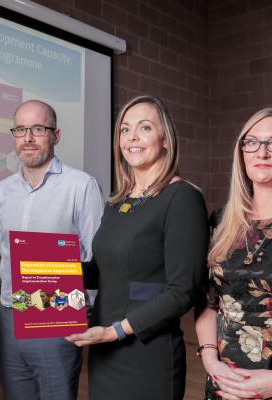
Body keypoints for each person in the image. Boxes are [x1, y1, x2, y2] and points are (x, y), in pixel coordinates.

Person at [66, 95, 209, 400]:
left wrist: (115, 331)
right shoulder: (118, 201)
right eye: (125, 130)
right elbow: (102, 270)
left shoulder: (182, 198)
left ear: (166, 140)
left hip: (147, 352)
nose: (132, 137)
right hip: (104, 349)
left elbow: (182, 290)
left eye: (144, 128)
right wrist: (45, 273)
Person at [0, 99, 103, 400]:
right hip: (10, 314)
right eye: (20, 129)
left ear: (56, 136)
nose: (27, 138)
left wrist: (83, 313)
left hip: (56, 314)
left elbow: (96, 257)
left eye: (38, 129)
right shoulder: (2, 191)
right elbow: (5, 253)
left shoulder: (81, 186)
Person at [196, 108, 272, 400]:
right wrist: (210, 361)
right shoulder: (221, 221)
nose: (262, 152)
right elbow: (209, 304)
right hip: (224, 384)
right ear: (242, 152)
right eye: (252, 142)